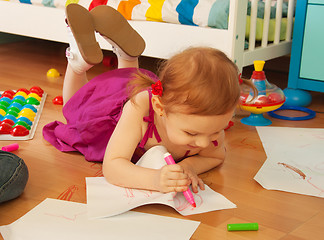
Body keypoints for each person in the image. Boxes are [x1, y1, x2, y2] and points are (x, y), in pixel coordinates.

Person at [43, 4, 254, 194]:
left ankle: (127, 57)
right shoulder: (142, 108)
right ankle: (77, 62)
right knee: (75, 111)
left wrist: (188, 167)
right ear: (160, 107)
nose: (204, 142)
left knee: (129, 85)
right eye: (192, 133)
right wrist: (154, 180)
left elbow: (216, 156)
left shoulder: (203, 124)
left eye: (217, 130)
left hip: (134, 90)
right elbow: (113, 166)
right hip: (109, 117)